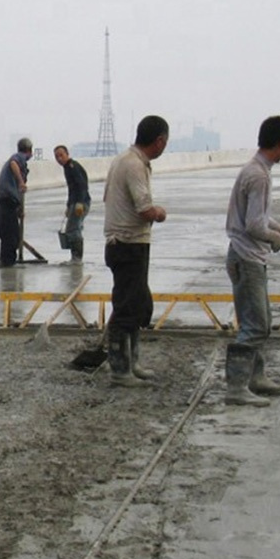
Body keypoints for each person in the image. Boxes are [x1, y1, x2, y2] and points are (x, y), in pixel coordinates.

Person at [224, 116, 280, 406]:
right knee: (256, 324)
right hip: (247, 257)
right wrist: (274, 238)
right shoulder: (259, 176)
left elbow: (260, 217)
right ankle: (237, 386)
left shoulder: (254, 170)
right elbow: (254, 225)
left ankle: (255, 377)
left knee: (256, 321)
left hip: (244, 255)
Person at [102, 115, 169, 387]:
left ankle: (131, 362)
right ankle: (120, 370)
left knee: (137, 302)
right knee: (128, 307)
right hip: (128, 244)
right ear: (159, 141)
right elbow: (144, 209)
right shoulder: (134, 165)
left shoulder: (124, 160)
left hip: (125, 243)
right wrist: (160, 213)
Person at [0, 138, 33, 267]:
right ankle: (7, 262)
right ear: (29, 151)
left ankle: (6, 259)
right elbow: (13, 163)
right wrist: (21, 181)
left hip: (5, 200)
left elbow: (17, 191)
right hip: (5, 199)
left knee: (9, 234)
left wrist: (19, 209)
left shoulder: (22, 164)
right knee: (10, 236)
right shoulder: (19, 157)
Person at [53, 145, 91, 263]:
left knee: (73, 229)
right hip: (75, 202)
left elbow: (81, 185)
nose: (59, 158)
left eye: (61, 155)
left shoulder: (72, 166)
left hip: (81, 202)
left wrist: (79, 203)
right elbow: (72, 189)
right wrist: (69, 205)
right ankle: (75, 257)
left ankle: (77, 258)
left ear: (67, 154)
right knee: (74, 228)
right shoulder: (67, 168)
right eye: (56, 156)